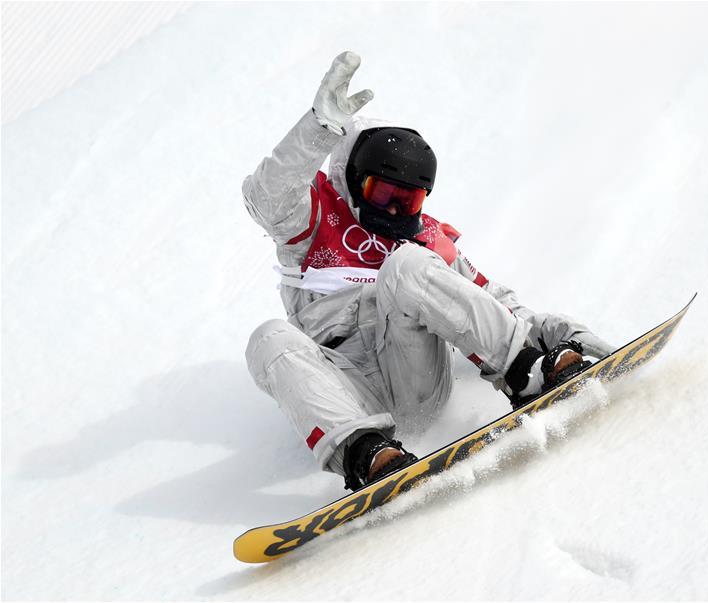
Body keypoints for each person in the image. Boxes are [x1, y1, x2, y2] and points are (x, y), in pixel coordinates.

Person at [242, 51, 614, 492]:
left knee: (407, 265)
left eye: (409, 200)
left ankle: (527, 374)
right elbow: (265, 197)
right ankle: (367, 454)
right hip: (346, 389)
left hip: (415, 379)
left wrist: (557, 334)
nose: (395, 210)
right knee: (266, 337)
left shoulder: (423, 241)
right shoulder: (313, 219)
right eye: (383, 194)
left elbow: (493, 303)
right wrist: (318, 129)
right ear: (356, 180)